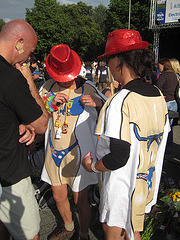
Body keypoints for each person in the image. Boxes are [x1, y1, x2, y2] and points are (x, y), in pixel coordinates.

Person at [82, 29, 170, 240]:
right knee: (133, 231)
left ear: (119, 61)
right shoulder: (157, 95)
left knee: (114, 231)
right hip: (145, 182)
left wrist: (92, 166)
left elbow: (118, 157)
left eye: (110, 58)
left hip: (122, 188)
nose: (108, 65)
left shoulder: (121, 100)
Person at [40, 44, 106, 240]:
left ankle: (83, 233)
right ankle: (68, 227)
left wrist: (99, 103)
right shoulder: (47, 87)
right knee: (58, 195)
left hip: (78, 152)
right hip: (54, 151)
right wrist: (49, 104)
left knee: (80, 199)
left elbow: (110, 112)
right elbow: (36, 113)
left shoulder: (88, 87)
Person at [0, 19, 49, 240]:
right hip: (10, 174)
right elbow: (41, 124)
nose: (29, 58)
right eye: (29, 51)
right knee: (30, 235)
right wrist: (29, 82)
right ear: (19, 43)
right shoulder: (11, 78)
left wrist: (17, 122)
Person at [156, 58, 178, 154]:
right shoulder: (174, 75)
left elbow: (158, 87)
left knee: (163, 127)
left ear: (163, 65)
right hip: (174, 102)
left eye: (159, 66)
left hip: (166, 102)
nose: (158, 67)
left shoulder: (164, 75)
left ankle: (163, 147)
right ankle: (168, 148)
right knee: (171, 127)